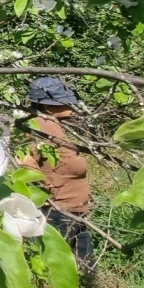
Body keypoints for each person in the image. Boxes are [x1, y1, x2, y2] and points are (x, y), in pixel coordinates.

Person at [22, 77, 93, 268]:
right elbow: (25, 162)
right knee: (61, 267)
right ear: (46, 106)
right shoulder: (36, 127)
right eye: (63, 101)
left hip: (74, 211)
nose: (71, 105)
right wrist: (46, 192)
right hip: (56, 213)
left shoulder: (58, 125)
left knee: (86, 268)